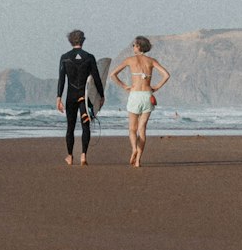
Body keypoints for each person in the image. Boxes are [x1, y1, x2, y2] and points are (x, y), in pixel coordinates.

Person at [109, 37, 170, 167]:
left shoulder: (130, 60)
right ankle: (138, 161)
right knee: (142, 128)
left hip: (135, 94)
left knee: (132, 128)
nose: (133, 47)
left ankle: (134, 149)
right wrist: (156, 87)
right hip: (147, 95)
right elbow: (166, 75)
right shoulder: (151, 61)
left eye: (134, 45)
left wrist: (124, 86)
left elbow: (113, 74)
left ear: (138, 46)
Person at [56, 30, 105, 166]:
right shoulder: (89, 57)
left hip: (71, 96)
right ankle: (83, 155)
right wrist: (101, 95)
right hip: (85, 96)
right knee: (86, 126)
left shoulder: (65, 57)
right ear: (83, 40)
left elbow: (61, 80)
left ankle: (70, 156)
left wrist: (58, 97)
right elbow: (96, 78)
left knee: (70, 127)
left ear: (70, 41)